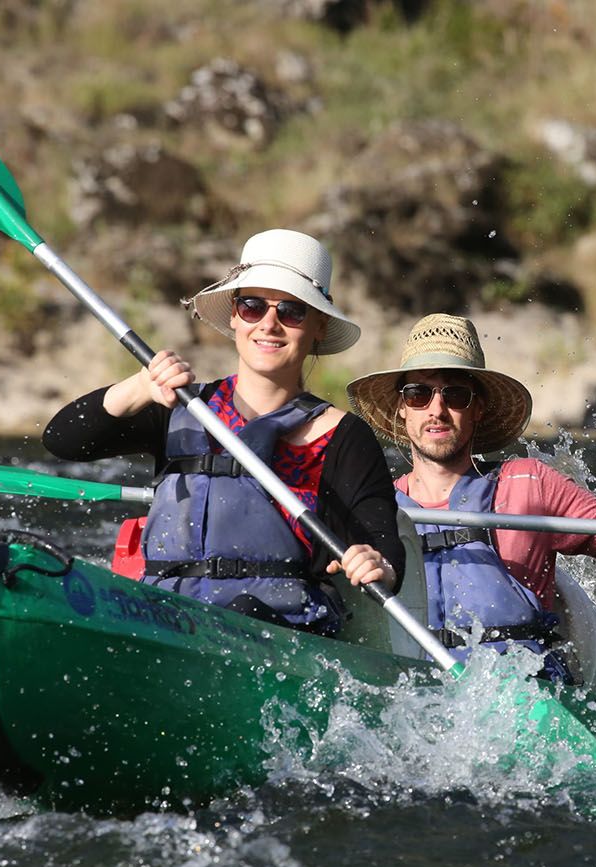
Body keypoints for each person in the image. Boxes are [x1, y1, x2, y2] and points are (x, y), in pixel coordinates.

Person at [43, 228, 402, 635]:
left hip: (278, 628)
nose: (270, 324)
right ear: (234, 315)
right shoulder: (176, 405)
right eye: (253, 306)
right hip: (167, 615)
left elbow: (384, 544)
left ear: (318, 326)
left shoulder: (342, 435)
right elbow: (62, 440)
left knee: (242, 611)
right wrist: (138, 387)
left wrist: (378, 564)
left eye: (292, 311)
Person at [346, 313, 596, 677]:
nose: (436, 410)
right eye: (418, 394)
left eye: (455, 395)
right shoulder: (378, 508)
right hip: (421, 695)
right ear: (402, 409)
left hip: (524, 694)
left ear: (477, 408)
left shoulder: (528, 484)